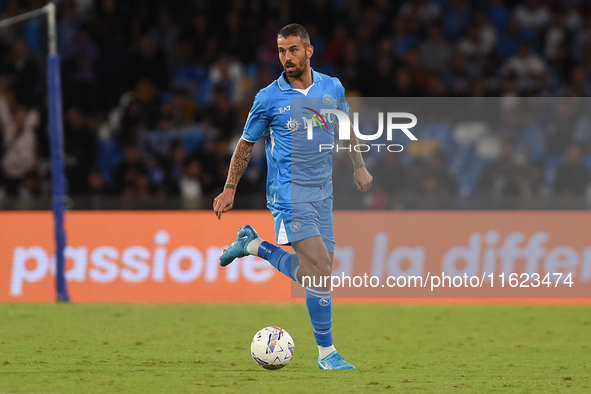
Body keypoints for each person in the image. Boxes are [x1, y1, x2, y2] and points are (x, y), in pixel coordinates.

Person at [213, 24, 372, 370]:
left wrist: (359, 165)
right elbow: (246, 144)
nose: (287, 57)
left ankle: (253, 246)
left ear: (309, 51)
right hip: (288, 195)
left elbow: (345, 127)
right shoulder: (268, 98)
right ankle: (327, 354)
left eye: (294, 50)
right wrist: (229, 188)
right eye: (282, 51)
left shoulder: (332, 87)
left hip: (322, 194)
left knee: (318, 275)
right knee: (319, 269)